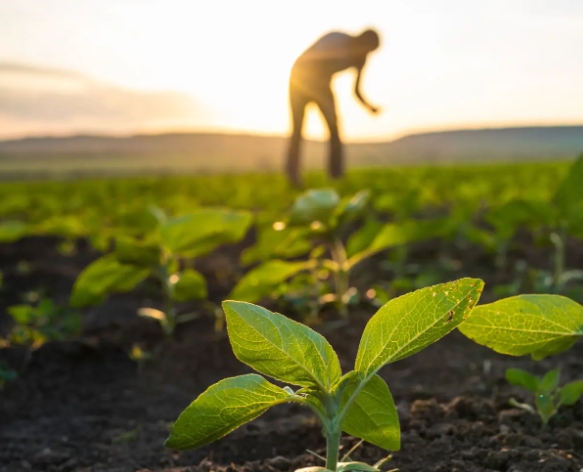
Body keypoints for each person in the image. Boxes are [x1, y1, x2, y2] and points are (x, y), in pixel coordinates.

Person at [286, 29, 381, 187]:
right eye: (367, 47)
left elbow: (356, 90)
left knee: (334, 129)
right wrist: (322, 95)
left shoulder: (360, 59)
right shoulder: (337, 39)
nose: (367, 52)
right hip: (299, 78)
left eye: (370, 51)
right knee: (298, 129)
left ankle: (336, 175)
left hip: (323, 83)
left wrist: (369, 107)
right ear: (362, 39)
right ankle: (293, 176)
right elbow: (314, 64)